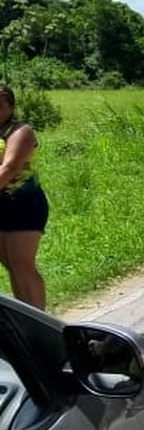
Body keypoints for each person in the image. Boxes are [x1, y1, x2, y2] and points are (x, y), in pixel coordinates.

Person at [0, 85, 48, 310]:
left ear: (11, 107)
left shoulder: (21, 131)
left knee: (22, 264)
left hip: (24, 204)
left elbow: (8, 168)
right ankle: (28, 317)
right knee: (12, 264)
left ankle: (41, 323)